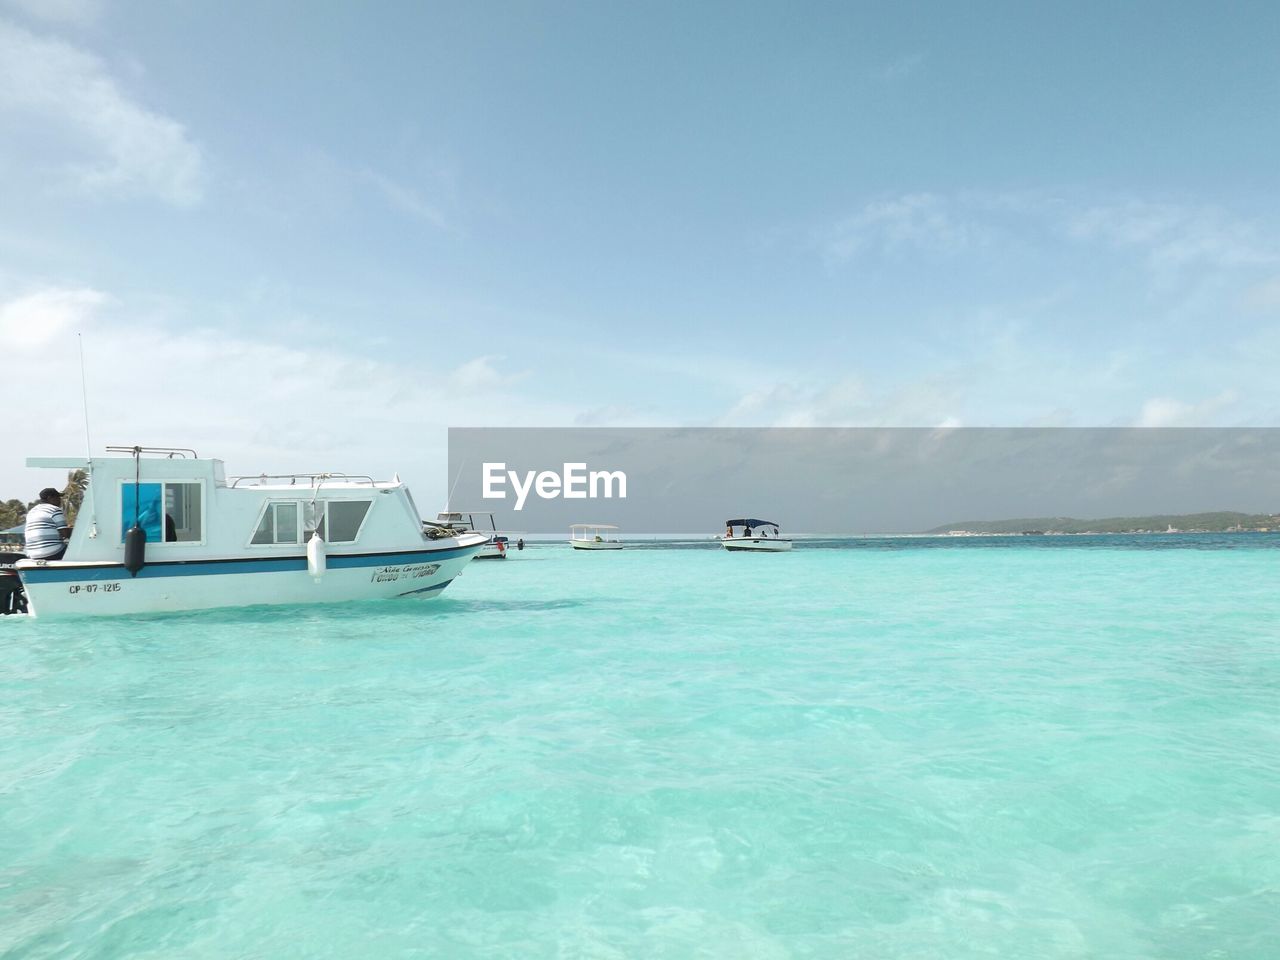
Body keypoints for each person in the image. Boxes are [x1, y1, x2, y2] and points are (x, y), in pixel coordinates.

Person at [25, 488, 71, 561]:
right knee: (77, 549)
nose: (60, 500)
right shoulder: (55, 510)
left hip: (32, 554)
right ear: (50, 498)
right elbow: (65, 534)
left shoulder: (31, 511)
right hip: (52, 552)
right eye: (58, 497)